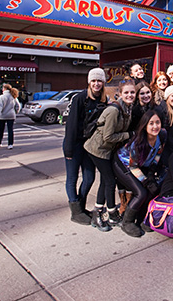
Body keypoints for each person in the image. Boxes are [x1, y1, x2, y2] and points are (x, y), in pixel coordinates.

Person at [85, 78, 134, 232]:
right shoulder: (114, 110)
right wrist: (128, 135)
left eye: (132, 92)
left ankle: (100, 212)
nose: (130, 95)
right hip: (98, 149)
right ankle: (109, 213)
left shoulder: (128, 108)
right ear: (120, 93)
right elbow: (108, 137)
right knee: (110, 181)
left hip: (106, 150)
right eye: (126, 92)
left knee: (106, 181)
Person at [62, 68, 107, 226]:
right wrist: (68, 148)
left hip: (89, 145)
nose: (96, 84)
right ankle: (75, 212)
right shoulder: (80, 98)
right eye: (93, 81)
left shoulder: (103, 100)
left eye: (99, 81)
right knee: (72, 178)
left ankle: (80, 207)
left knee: (89, 178)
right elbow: (71, 124)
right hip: (74, 143)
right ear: (89, 82)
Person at [114, 110, 167, 237]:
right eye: (151, 123)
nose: (155, 126)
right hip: (123, 164)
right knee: (141, 192)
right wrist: (146, 181)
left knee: (153, 189)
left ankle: (142, 217)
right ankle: (127, 222)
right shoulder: (138, 142)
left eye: (157, 123)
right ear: (145, 125)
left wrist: (151, 173)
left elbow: (158, 154)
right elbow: (133, 166)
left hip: (141, 166)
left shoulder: (162, 135)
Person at [0, 83, 20, 149]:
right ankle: (10, 144)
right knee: (10, 130)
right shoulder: (13, 96)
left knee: (1, 129)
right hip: (11, 115)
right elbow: (18, 106)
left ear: (4, 89)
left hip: (3, 115)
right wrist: (15, 112)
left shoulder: (2, 97)